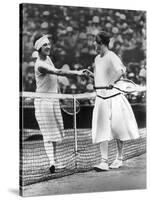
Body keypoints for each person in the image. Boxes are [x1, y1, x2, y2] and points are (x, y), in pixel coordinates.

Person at [33, 33, 85, 173]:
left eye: (49, 44)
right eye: (45, 44)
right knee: (48, 133)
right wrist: (78, 73)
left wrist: (60, 93)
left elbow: (53, 79)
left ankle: (54, 161)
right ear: (38, 48)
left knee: (54, 133)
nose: (48, 46)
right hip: (43, 102)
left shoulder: (48, 58)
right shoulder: (40, 65)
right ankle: (51, 161)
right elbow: (59, 72)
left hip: (53, 100)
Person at [89, 31, 139, 171]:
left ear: (101, 43)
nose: (93, 44)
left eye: (95, 41)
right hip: (101, 99)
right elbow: (101, 77)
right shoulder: (97, 59)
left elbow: (120, 71)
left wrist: (111, 82)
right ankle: (104, 162)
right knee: (101, 130)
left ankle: (119, 158)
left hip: (114, 98)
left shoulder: (112, 56)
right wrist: (92, 75)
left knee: (118, 129)